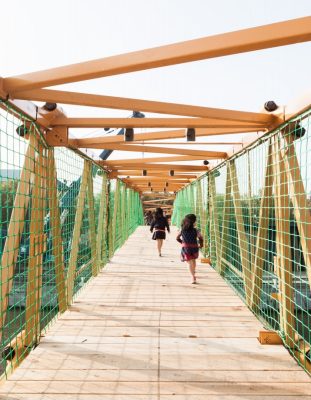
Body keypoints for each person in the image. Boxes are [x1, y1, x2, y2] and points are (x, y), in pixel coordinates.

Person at [176, 214, 203, 284]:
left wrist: (182, 242)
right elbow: (200, 238)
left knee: (189, 262)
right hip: (194, 247)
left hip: (186, 248)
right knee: (193, 260)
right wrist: (201, 245)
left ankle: (192, 276)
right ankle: (193, 272)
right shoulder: (196, 230)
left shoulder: (182, 229)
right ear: (194, 222)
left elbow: (177, 238)